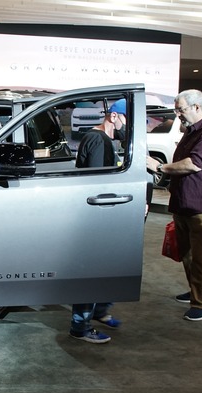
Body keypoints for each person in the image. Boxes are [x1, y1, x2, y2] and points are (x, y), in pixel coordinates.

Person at [147, 89, 202, 321]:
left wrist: (159, 167)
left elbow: (195, 164)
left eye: (181, 109)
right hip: (186, 202)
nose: (177, 115)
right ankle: (201, 290)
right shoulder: (193, 130)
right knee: (186, 253)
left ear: (197, 107)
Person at [69, 98, 127, 344]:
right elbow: (97, 182)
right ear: (113, 117)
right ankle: (80, 327)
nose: (128, 126)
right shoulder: (97, 139)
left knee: (106, 269)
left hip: (103, 216)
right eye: (126, 119)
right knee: (92, 272)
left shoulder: (103, 140)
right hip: (97, 217)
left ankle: (100, 311)